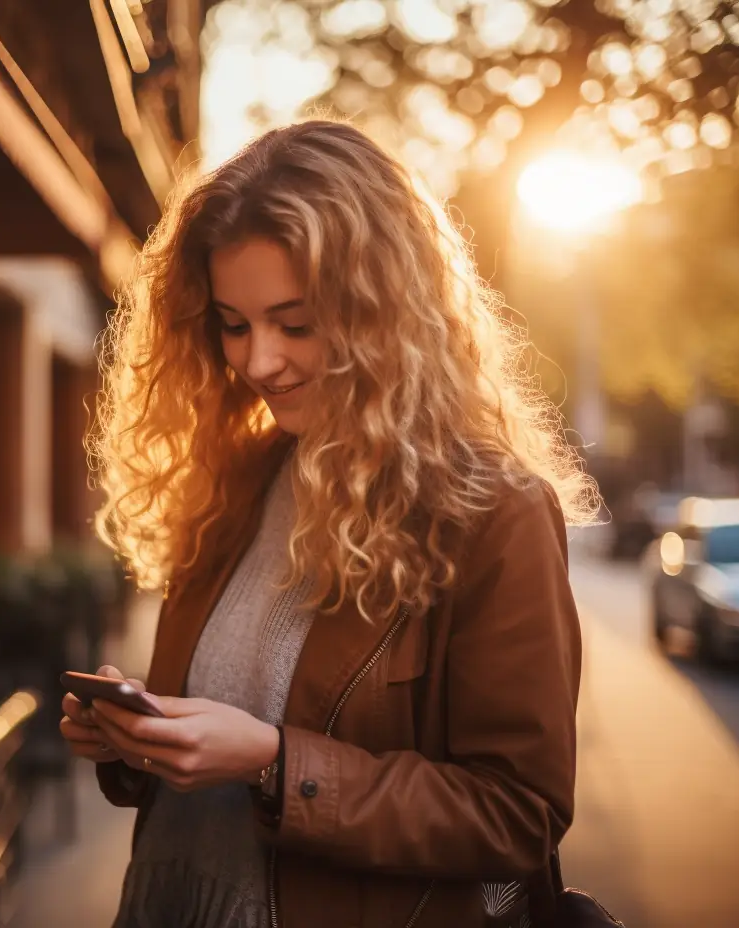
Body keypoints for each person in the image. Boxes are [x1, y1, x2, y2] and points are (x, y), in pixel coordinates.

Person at [59, 120, 597, 928]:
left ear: (386, 314)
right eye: (233, 324)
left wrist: (277, 765)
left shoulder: (494, 514)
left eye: (295, 323)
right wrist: (135, 743)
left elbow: (517, 815)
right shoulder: (235, 481)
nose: (257, 362)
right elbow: (205, 731)